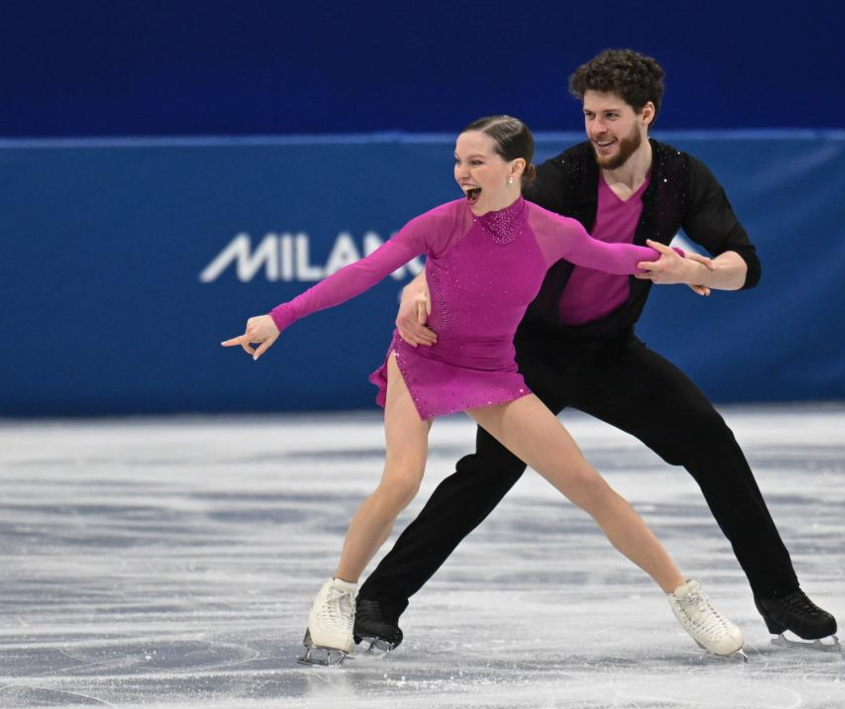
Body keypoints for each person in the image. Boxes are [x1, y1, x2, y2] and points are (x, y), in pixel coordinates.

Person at [353, 49, 838, 652]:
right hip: (530, 353)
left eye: (610, 115)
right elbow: (474, 236)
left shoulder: (683, 177)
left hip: (610, 352)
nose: (597, 129)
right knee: (488, 474)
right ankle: (377, 600)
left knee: (712, 443)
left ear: (646, 114)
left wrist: (697, 270)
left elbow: (745, 266)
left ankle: (779, 594)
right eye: (588, 115)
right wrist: (419, 285)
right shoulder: (563, 178)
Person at [223, 114, 747, 664]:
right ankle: (337, 596)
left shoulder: (551, 230)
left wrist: (689, 267)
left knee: (587, 484)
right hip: (423, 358)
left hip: (492, 371)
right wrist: (280, 317)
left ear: (515, 168)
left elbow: (616, 257)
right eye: (457, 161)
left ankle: (686, 598)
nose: (461, 173)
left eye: (476, 162)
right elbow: (366, 271)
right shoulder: (440, 223)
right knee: (403, 479)